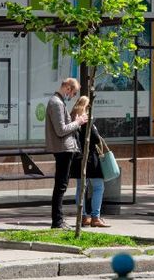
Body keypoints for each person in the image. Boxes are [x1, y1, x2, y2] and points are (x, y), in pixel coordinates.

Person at [46, 78, 88, 229]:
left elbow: (63, 127)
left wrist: (74, 121)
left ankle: (58, 220)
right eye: (74, 93)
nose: (73, 96)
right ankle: (57, 221)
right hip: (63, 149)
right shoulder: (56, 103)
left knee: (61, 185)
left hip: (65, 148)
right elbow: (61, 130)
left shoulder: (58, 102)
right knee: (61, 186)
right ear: (68, 88)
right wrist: (78, 122)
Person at [69, 96, 110, 228]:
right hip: (90, 159)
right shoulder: (85, 120)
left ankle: (83, 217)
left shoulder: (72, 119)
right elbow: (96, 139)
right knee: (98, 187)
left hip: (77, 158)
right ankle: (95, 217)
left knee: (81, 188)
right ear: (86, 107)